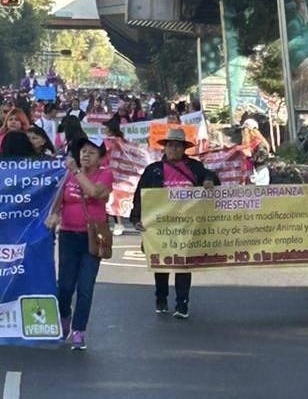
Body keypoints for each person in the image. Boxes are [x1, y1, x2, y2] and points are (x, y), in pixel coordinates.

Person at [131, 128, 218, 319]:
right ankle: (161, 298)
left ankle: (182, 304)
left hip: (186, 227)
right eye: (170, 145)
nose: (173, 149)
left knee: (183, 265)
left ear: (183, 148)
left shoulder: (195, 167)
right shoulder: (153, 170)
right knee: (161, 264)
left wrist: (209, 181)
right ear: (165, 147)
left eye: (177, 146)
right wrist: (136, 219)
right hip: (159, 226)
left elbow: (211, 178)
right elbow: (140, 196)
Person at [45, 136, 112, 350]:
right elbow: (58, 199)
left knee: (85, 287)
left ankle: (79, 331)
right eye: (83, 151)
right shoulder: (67, 175)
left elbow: (93, 192)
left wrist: (75, 171)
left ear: (100, 157)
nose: (85, 155)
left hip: (92, 238)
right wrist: (53, 215)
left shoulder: (105, 174)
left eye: (91, 152)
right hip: (68, 236)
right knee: (64, 286)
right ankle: (64, 318)